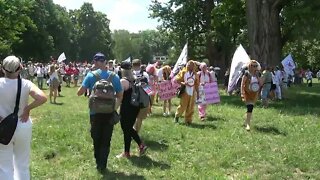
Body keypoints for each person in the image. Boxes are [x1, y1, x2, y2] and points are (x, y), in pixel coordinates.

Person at [0, 56, 47, 180]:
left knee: (4, 165)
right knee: (22, 164)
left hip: (2, 125)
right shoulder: (26, 83)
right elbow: (42, 97)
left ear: (3, 69)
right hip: (22, 124)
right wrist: (27, 108)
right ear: (20, 68)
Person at [77, 53, 123, 173]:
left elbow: (79, 92)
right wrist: (114, 108)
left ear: (95, 62)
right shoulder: (114, 76)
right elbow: (119, 96)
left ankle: (98, 162)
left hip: (95, 113)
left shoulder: (91, 75)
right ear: (105, 62)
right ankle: (103, 164)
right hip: (109, 113)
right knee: (106, 138)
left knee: (96, 137)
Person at [116, 61, 147, 158]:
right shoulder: (134, 79)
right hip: (135, 107)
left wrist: (115, 107)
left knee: (126, 129)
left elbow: (119, 96)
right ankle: (140, 145)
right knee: (129, 128)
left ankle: (126, 153)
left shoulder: (123, 81)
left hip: (126, 108)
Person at [174, 60, 200, 125]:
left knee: (191, 106)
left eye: (191, 65)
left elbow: (197, 84)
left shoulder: (195, 74)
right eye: (188, 65)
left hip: (192, 92)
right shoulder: (183, 72)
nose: (190, 66)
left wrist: (198, 93)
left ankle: (188, 120)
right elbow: (177, 79)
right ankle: (177, 117)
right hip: (185, 91)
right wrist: (183, 83)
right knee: (183, 105)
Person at [241, 60, 262, 131]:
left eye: (256, 66)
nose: (255, 67)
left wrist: (258, 76)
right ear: (250, 66)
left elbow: (261, 83)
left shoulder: (258, 74)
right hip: (247, 92)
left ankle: (246, 121)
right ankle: (248, 124)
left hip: (254, 93)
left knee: (250, 108)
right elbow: (242, 83)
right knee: (250, 107)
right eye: (253, 66)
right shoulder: (246, 73)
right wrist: (242, 93)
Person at [131, 59, 149, 133]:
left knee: (133, 116)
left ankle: (132, 131)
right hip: (143, 99)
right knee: (140, 117)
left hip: (132, 98)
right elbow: (148, 89)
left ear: (132, 65)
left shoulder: (130, 74)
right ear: (140, 64)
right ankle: (136, 132)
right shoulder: (145, 74)